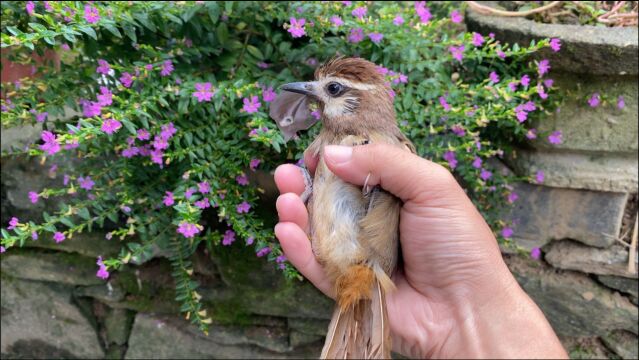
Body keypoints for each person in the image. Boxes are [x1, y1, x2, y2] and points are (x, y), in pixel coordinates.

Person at [273, 143, 568, 359]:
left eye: (334, 90)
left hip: (371, 272)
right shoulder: (338, 147)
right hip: (351, 268)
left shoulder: (385, 146)